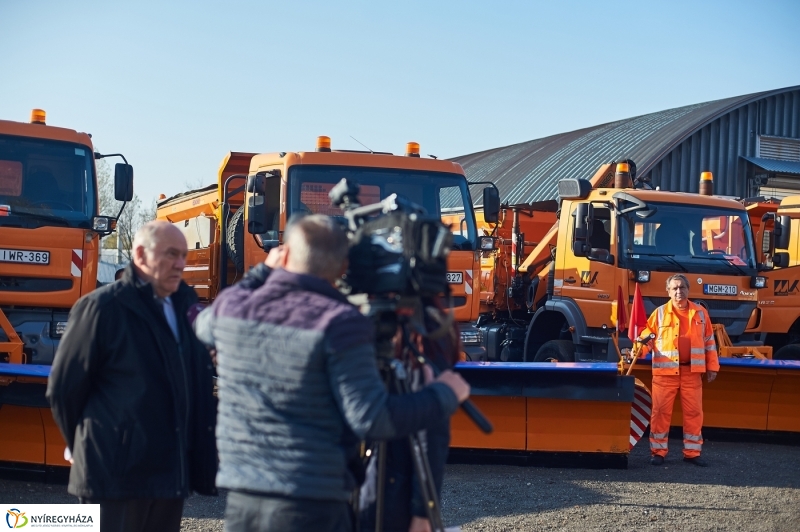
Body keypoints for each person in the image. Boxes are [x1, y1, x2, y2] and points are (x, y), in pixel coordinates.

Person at [194, 214, 470, 532]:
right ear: (342, 269)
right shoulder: (339, 322)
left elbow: (203, 326)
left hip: (243, 504)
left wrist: (262, 272)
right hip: (312, 506)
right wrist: (444, 394)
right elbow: (372, 418)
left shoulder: (232, 306)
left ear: (284, 255)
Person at [47, 221, 217, 532]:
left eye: (183, 255)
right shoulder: (102, 308)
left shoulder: (185, 305)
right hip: (115, 475)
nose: (180, 263)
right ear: (140, 254)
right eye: (170, 254)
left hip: (169, 474)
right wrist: (86, 446)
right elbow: (64, 390)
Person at [639, 273, 719, 467]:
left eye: (682, 287)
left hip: (692, 373)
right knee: (660, 413)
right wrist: (636, 352)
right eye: (674, 288)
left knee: (694, 413)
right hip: (665, 375)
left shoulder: (700, 313)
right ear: (668, 291)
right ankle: (658, 452)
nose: (678, 291)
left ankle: (692, 453)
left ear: (688, 290)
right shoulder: (659, 313)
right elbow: (646, 338)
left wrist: (713, 366)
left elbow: (709, 342)